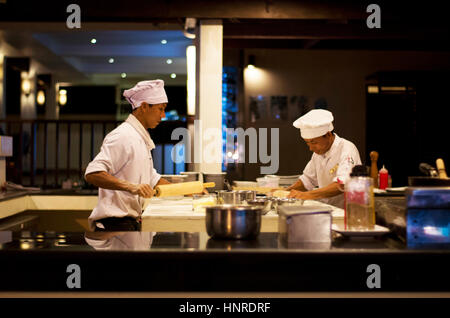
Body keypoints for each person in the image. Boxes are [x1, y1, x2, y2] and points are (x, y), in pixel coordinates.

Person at [84, 79, 171, 231]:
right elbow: (93, 173)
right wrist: (132, 187)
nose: (163, 115)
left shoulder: (140, 139)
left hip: (129, 223)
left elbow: (152, 179)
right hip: (114, 225)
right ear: (144, 106)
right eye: (160, 109)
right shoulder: (123, 135)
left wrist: (190, 190)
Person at [286, 109, 361, 208]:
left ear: (328, 134)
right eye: (307, 143)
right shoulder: (318, 153)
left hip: (347, 211)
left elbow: (342, 185)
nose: (311, 148)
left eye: (314, 142)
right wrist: (286, 192)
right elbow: (308, 180)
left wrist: (306, 195)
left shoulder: (347, 149)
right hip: (328, 209)